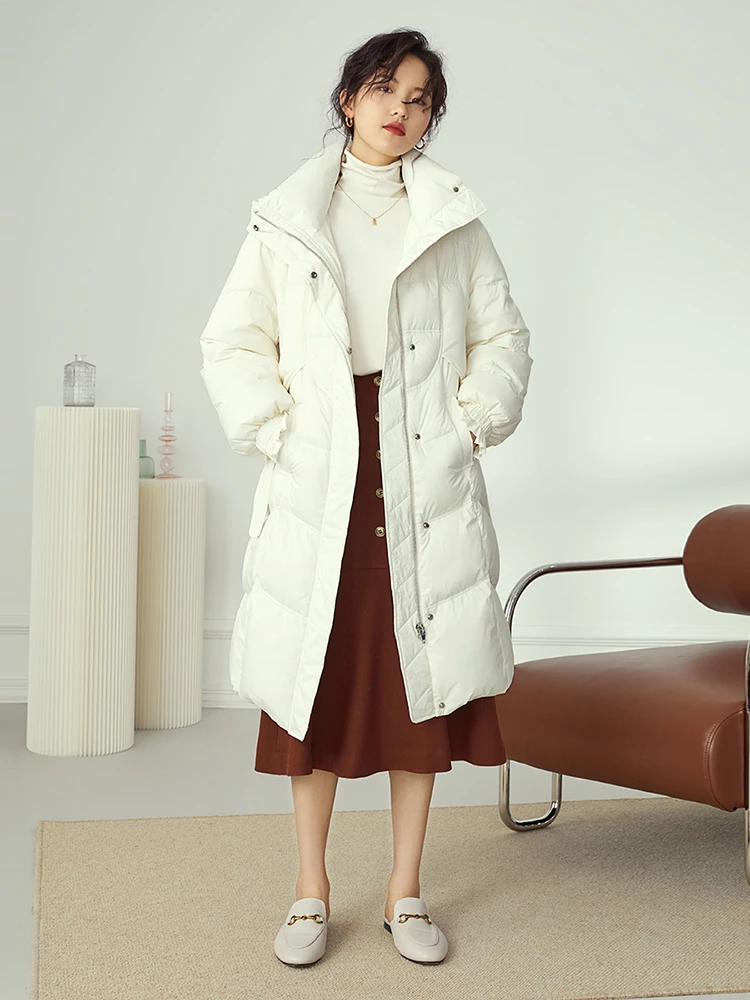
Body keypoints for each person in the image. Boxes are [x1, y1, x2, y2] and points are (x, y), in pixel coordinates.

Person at [199, 29, 533, 967]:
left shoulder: (454, 220)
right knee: (315, 681)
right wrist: (278, 432)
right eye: (385, 88)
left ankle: (404, 892)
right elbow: (232, 341)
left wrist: (471, 423)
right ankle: (310, 892)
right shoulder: (286, 220)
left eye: (420, 98)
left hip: (418, 461)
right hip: (325, 467)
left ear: (432, 117)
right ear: (348, 97)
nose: (400, 109)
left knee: (416, 688)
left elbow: (503, 338)